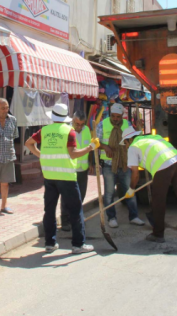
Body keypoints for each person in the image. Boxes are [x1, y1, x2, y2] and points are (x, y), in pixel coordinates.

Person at [26, 104, 98, 254]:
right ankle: (78, 245)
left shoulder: (44, 130)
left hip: (49, 176)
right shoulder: (69, 132)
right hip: (66, 177)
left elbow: (28, 143)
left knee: (49, 210)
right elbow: (73, 154)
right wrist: (90, 148)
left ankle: (50, 243)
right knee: (76, 210)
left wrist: (41, 156)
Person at [121, 127, 177, 244]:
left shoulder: (133, 147)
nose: (125, 146)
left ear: (128, 140)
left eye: (125, 143)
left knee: (158, 201)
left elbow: (135, 175)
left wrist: (131, 189)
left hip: (163, 167)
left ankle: (158, 234)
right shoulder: (153, 137)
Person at [97, 103, 145, 228]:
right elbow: (96, 141)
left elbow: (132, 141)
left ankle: (134, 216)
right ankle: (111, 218)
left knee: (130, 190)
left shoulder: (127, 125)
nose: (115, 119)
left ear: (122, 116)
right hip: (108, 164)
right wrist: (104, 146)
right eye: (113, 116)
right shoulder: (102, 124)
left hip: (125, 163)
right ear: (110, 115)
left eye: (118, 117)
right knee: (109, 193)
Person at [60, 111, 92, 233]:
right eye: (76, 124)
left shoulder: (87, 130)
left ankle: (76, 217)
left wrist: (92, 163)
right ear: (72, 120)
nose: (78, 127)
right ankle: (65, 220)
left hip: (83, 170)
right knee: (67, 196)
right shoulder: (67, 130)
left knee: (81, 195)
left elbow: (89, 147)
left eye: (81, 124)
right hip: (69, 169)